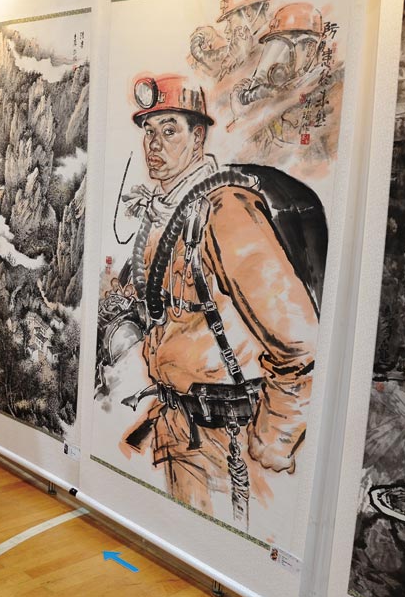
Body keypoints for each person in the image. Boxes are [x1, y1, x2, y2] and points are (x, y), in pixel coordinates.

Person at [116, 74, 318, 526]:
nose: (154, 143)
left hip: (226, 442)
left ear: (198, 137)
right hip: (181, 430)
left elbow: (300, 343)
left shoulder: (226, 211)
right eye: (149, 130)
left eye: (170, 130)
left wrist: (275, 436)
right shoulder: (169, 212)